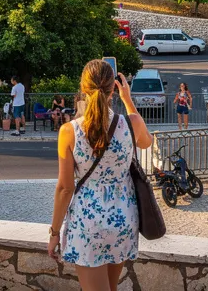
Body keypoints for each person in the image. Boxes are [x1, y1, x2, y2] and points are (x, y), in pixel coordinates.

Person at [47, 60, 152, 291]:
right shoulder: (130, 123)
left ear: (83, 89)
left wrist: (55, 233)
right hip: (123, 219)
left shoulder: (69, 131)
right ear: (112, 90)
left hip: (88, 223)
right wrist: (128, 99)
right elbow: (147, 141)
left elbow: (65, 188)